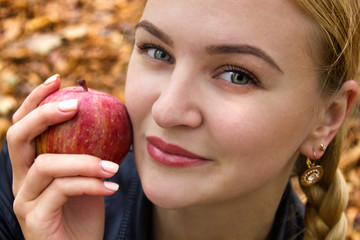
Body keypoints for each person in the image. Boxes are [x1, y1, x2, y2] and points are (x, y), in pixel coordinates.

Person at [1, 0, 360, 239]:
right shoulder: (25, 196)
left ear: (326, 118)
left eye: (237, 75)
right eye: (156, 51)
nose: (165, 111)